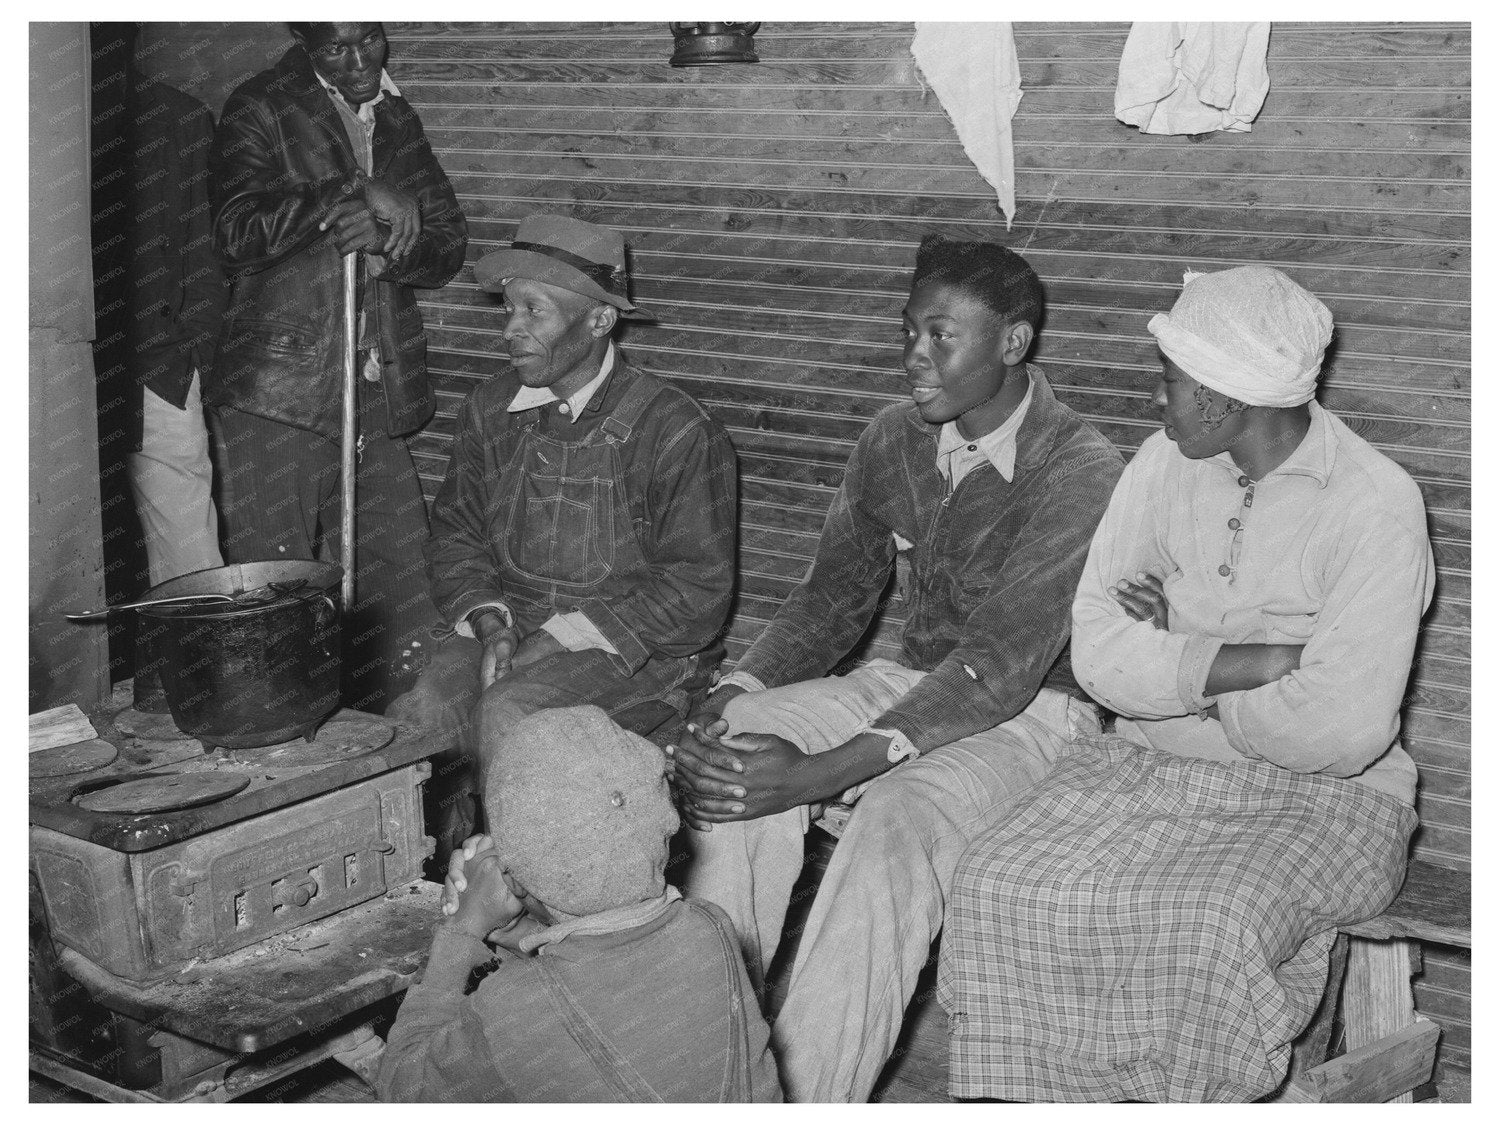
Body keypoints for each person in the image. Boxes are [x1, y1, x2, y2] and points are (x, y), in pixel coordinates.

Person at [939, 265, 1432, 1103]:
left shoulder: (1375, 502)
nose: (1155, 400)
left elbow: (1343, 729)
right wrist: (1261, 660)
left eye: (1168, 382)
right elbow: (1099, 652)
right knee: (994, 878)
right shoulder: (1162, 463)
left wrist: (1177, 656)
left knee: (1210, 922)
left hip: (1327, 797)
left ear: (1222, 397)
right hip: (1144, 769)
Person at [668, 236, 1124, 1102]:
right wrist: (726, 697)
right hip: (912, 681)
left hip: (1035, 714)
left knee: (895, 817)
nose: (915, 355)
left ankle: (808, 1094)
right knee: (738, 748)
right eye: (908, 331)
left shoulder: (1081, 470)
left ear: (1013, 343)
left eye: (940, 336)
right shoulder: (895, 438)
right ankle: (708, 1067)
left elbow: (998, 665)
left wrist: (823, 771)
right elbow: (830, 599)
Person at [390, 214, 737, 854]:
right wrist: (491, 623)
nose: (510, 330)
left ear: (599, 320)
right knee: (421, 715)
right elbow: (457, 534)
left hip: (637, 653)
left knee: (513, 716)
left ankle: (517, 889)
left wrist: (558, 639)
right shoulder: (490, 410)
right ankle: (434, 884)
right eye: (509, 309)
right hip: (511, 628)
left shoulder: (675, 429)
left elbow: (698, 592)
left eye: (534, 311)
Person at [207, 22, 467, 713]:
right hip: (280, 391)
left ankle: (399, 735)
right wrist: (348, 190)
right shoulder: (262, 104)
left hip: (374, 382)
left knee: (403, 574)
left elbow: (446, 243)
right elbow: (235, 232)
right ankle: (276, 728)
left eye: (370, 40)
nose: (358, 62)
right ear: (304, 41)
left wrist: (386, 242)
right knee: (275, 585)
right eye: (334, 49)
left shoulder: (397, 114)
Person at [376, 705, 782, 1102]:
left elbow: (403, 1088)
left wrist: (460, 930)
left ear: (511, 879)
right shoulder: (710, 927)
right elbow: (591, 992)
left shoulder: (514, 1013)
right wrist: (520, 934)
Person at [124, 73, 227, 588]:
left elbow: (205, 252)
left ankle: (193, 641)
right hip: (53, 373)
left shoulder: (176, 117)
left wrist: (191, 356)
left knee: (190, 564)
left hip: (158, 369)